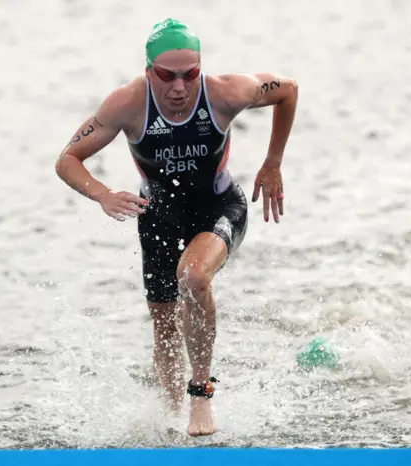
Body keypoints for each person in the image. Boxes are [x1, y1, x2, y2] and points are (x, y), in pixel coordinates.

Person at [55, 18, 298, 436]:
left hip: (219, 206)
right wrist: (101, 193)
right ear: (149, 71)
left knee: (194, 274)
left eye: (190, 74)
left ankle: (200, 396)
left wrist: (273, 161)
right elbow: (67, 160)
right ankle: (170, 420)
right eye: (168, 76)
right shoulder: (126, 104)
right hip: (158, 215)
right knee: (164, 321)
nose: (180, 88)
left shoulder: (226, 92)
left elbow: (287, 90)